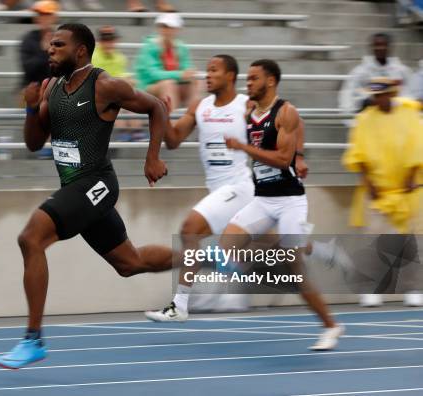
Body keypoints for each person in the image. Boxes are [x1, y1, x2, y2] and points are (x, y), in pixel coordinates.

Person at [0, 23, 174, 370]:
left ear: (80, 51)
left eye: (58, 45)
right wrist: (32, 108)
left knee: (31, 238)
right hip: (75, 188)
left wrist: (152, 157)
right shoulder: (53, 89)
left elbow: (157, 108)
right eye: (49, 44)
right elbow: (33, 144)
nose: (50, 49)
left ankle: (33, 340)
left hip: (96, 184)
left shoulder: (105, 85)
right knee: (130, 263)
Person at [221, 59, 344, 351]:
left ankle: (331, 326)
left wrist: (248, 149)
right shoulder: (249, 109)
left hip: (290, 201)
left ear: (271, 81)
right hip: (262, 200)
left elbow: (281, 158)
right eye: (247, 79)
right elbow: (294, 137)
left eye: (253, 79)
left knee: (295, 270)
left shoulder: (286, 111)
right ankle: (316, 248)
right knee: (228, 247)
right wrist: (301, 154)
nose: (247, 83)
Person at [144, 55, 254, 321]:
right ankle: (326, 252)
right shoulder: (200, 107)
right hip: (218, 192)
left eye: (214, 70)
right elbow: (173, 141)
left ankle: (180, 304)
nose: (208, 75)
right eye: (207, 70)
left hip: (240, 187)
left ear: (230, 76)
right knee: (282, 246)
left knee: (189, 229)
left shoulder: (246, 105)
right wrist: (163, 117)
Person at [342, 77, 422, 308]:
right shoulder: (365, 119)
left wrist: (411, 176)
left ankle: (414, 287)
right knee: (373, 242)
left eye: (383, 94)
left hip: (407, 192)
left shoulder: (409, 115)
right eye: (375, 95)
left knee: (413, 243)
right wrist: (369, 183)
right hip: (376, 193)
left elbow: (418, 147)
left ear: (392, 93)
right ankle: (371, 288)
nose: (379, 99)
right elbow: (359, 154)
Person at [135, 13, 197, 111]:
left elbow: (186, 68)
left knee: (194, 81)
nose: (167, 30)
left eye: (171, 27)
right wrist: (180, 74)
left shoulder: (181, 47)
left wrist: (189, 73)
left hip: (172, 86)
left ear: (177, 29)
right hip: (147, 87)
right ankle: (172, 122)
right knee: (168, 84)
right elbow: (153, 75)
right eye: (164, 26)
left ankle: (193, 118)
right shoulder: (150, 46)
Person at [339, 32, 413, 113]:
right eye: (376, 45)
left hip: (397, 118)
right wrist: (369, 102)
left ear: (390, 47)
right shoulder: (360, 72)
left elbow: (411, 96)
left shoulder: (402, 72)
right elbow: (348, 97)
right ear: (371, 47)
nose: (380, 48)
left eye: (383, 45)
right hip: (369, 119)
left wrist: (393, 102)